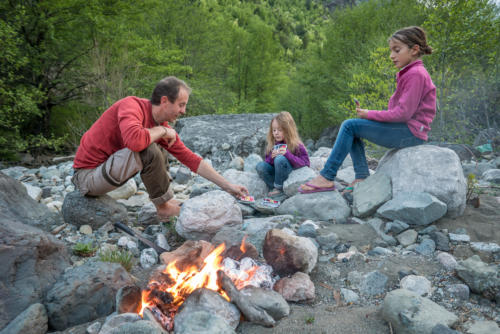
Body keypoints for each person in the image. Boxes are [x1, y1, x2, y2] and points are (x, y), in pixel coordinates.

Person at [72, 76, 248, 219]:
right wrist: (163, 130)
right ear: (164, 101)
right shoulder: (131, 106)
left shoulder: (160, 124)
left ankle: (167, 201)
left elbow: (191, 159)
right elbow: (135, 142)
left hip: (106, 173)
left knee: (154, 143)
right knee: (147, 148)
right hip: (87, 177)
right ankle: (163, 208)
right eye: (181, 104)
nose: (183, 111)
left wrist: (228, 186)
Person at [299, 26, 436, 194]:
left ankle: (327, 177)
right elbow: (401, 111)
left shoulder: (415, 74)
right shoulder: (411, 72)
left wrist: (369, 114)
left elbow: (403, 114)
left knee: (350, 126)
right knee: (355, 127)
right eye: (391, 50)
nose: (391, 56)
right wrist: (368, 116)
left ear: (414, 50)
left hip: (410, 133)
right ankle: (362, 175)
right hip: (408, 131)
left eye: (397, 50)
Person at [256, 111, 310, 197]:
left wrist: (288, 155)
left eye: (280, 130)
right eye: (274, 130)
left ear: (288, 130)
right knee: (260, 166)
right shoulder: (273, 144)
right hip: (277, 176)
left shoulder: (296, 144)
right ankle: (274, 187)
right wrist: (271, 158)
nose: (276, 133)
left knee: (280, 159)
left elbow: (306, 163)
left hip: (289, 174)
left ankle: (279, 189)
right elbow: (267, 162)